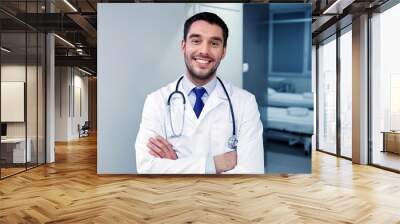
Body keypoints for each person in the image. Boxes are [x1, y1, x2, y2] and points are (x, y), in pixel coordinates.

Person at [135, 12, 264, 174]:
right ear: (183, 46)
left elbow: (252, 172)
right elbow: (147, 168)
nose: (204, 50)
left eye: (214, 43)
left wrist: (175, 167)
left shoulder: (245, 102)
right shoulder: (156, 100)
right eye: (196, 41)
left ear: (223, 51)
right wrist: (214, 164)